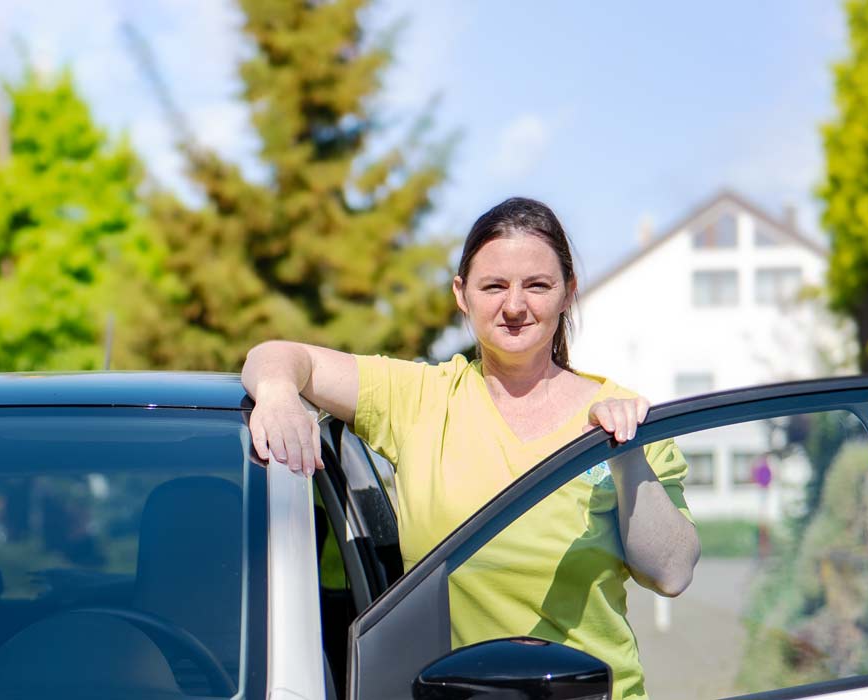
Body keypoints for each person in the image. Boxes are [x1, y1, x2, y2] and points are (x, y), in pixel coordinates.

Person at [241, 197, 699, 700]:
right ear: (462, 294)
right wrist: (279, 393)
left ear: (568, 292)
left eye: (537, 285)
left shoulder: (624, 415)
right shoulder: (417, 398)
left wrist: (626, 456)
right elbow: (278, 355)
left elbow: (672, 572)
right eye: (494, 286)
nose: (515, 306)